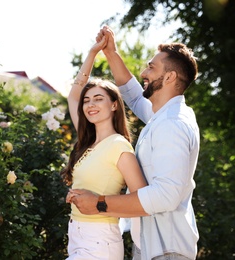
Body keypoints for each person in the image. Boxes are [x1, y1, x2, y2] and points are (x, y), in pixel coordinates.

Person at [68, 25, 200, 260]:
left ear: (169, 77)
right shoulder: (162, 116)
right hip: (149, 244)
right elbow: (134, 96)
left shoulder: (173, 124)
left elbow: (165, 196)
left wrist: (98, 204)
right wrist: (110, 52)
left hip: (166, 248)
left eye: (151, 67)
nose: (143, 72)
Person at [62, 33, 147, 259]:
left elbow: (142, 202)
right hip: (77, 235)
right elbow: (74, 96)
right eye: (88, 100)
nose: (90, 104)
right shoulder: (87, 142)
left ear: (113, 106)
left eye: (98, 99)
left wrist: (98, 203)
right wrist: (92, 53)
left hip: (99, 240)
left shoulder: (119, 146)